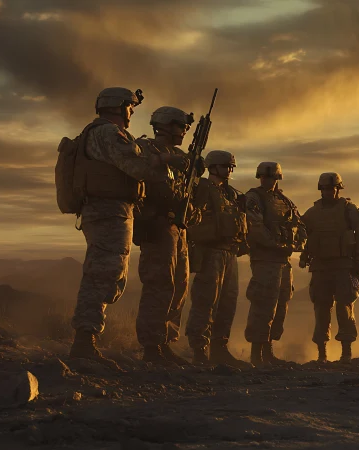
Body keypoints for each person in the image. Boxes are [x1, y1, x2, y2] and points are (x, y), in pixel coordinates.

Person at [69, 87, 172, 369]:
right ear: (119, 107)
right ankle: (83, 343)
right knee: (102, 272)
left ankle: (86, 340)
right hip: (107, 211)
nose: (131, 113)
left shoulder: (103, 132)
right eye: (130, 107)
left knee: (110, 272)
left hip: (113, 211)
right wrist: (163, 161)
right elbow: (136, 167)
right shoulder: (107, 132)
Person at [133, 106, 200, 365]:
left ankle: (165, 343)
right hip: (156, 223)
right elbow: (139, 170)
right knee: (159, 284)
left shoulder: (181, 157)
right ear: (168, 126)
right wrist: (165, 161)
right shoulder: (147, 148)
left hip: (177, 227)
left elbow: (185, 192)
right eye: (182, 127)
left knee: (179, 285)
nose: (184, 132)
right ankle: (151, 346)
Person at [185, 150, 250, 368]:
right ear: (213, 167)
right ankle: (198, 350)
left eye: (231, 166)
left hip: (229, 252)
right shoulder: (203, 189)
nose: (230, 170)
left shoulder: (230, 194)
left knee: (228, 302)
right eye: (225, 166)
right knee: (205, 301)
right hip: (210, 251)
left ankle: (219, 349)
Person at [299, 173, 359, 363]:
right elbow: (301, 233)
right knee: (321, 309)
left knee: (344, 308)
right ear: (320, 190)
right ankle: (321, 353)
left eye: (332, 188)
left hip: (343, 265)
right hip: (320, 266)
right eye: (325, 189)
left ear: (338, 189)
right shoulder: (313, 213)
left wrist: (358, 259)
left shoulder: (349, 210)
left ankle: (346, 351)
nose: (329, 192)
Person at [244, 162, 306, 367]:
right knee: (263, 303)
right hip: (265, 259)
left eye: (271, 178)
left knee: (280, 304)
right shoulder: (254, 197)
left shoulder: (284, 200)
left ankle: (268, 350)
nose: (267, 181)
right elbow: (255, 226)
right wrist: (275, 245)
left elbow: (299, 226)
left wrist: (298, 243)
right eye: (264, 177)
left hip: (282, 260)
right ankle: (256, 354)